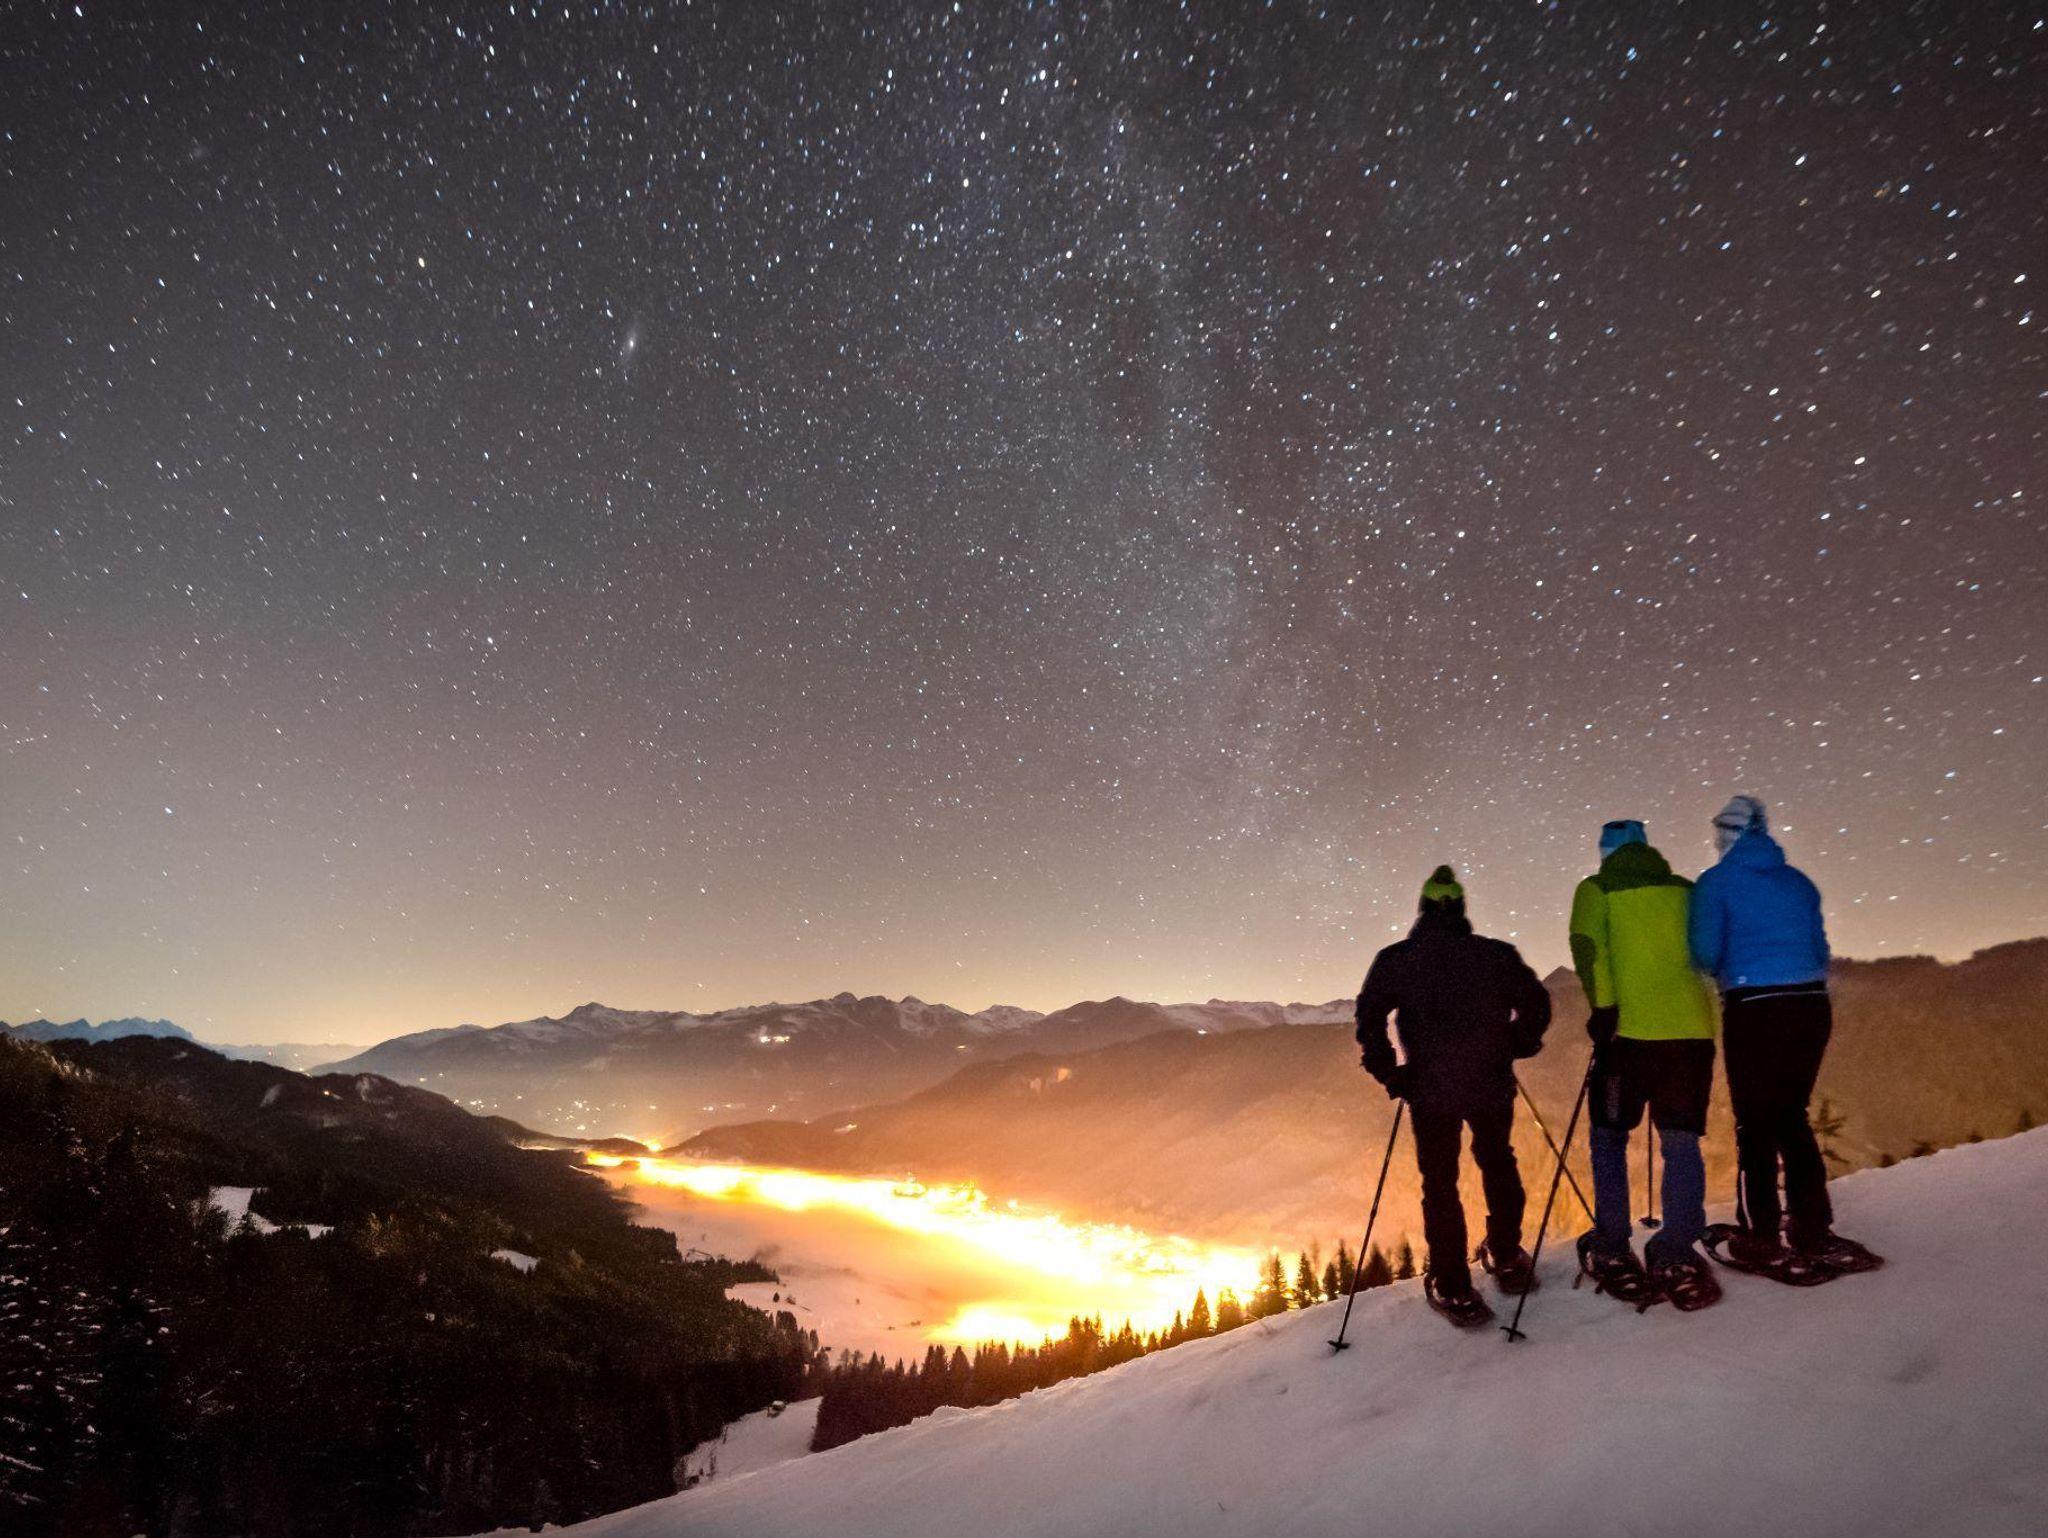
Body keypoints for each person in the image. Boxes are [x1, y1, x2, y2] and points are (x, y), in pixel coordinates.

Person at [1689, 795, 1880, 1276]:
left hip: (1754, 1006)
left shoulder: (1715, 883)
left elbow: (1705, 954)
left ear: (1726, 834)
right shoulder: (1799, 882)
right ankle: (1812, 1228)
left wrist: (1731, 970)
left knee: (1754, 1123)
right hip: (1811, 1005)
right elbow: (1820, 950)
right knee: (1792, 1117)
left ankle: (1762, 1234)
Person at [1356, 865, 1553, 1326]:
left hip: (1429, 1088)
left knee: (1439, 1183)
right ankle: (1506, 1255)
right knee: (1498, 1161)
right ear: (1462, 909)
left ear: (1422, 909)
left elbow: (1369, 1018)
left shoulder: (1398, 959)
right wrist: (1515, 1044)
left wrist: (1391, 1073)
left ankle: (1453, 1285)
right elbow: (1537, 1004)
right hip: (1490, 1080)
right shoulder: (1495, 955)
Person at [1568, 820, 1721, 1309]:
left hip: (1628, 1038)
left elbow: (1589, 950)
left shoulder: (1596, 889)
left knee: (1609, 1138)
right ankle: (1674, 1251)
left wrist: (1604, 1009)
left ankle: (1612, 1244)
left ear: (1606, 851)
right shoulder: (1687, 890)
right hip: (1691, 1035)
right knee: (1681, 1142)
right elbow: (1709, 954)